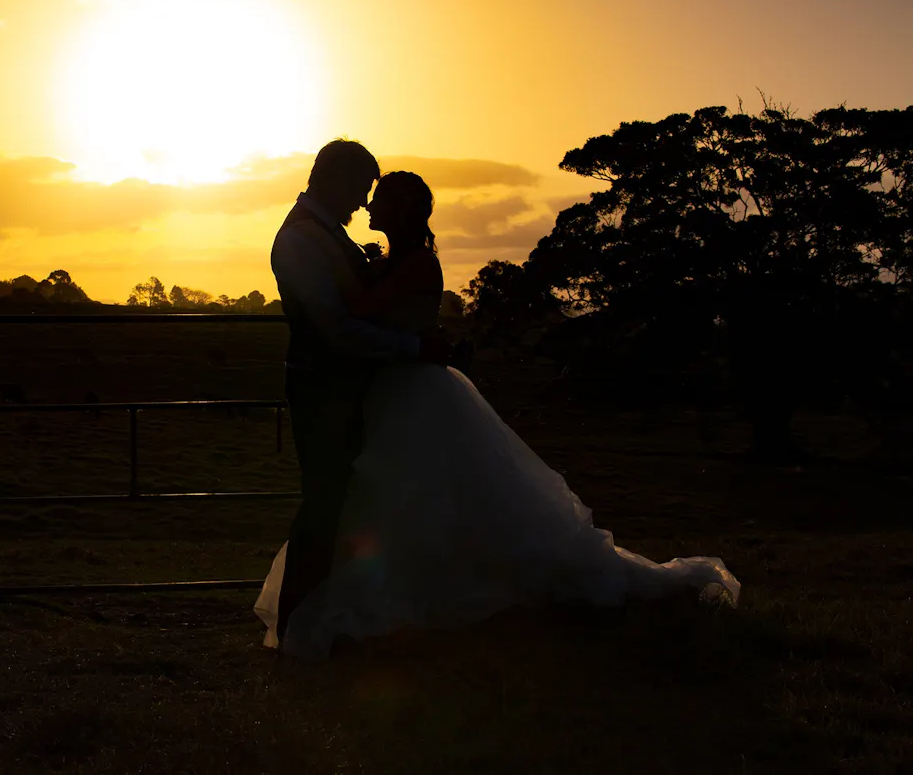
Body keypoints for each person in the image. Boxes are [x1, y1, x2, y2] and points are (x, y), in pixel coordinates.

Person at [256, 169, 740, 659]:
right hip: (391, 389)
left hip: (413, 391)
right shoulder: (386, 258)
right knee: (391, 494)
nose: (367, 206)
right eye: (366, 193)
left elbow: (356, 309)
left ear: (400, 211)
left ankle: (417, 597)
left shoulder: (415, 264)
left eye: (378, 198)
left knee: (409, 492)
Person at [264, 140, 453, 648]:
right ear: (334, 181)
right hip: (322, 387)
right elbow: (335, 329)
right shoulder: (304, 239)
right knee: (324, 505)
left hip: (347, 389)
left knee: (344, 506)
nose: (362, 204)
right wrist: (415, 346)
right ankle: (299, 630)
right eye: (360, 190)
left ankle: (327, 623)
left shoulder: (325, 234)